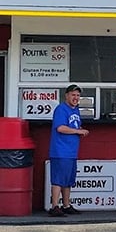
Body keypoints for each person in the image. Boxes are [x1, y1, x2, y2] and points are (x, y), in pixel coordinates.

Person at [48, 84, 89, 217]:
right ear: (66, 95)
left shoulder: (75, 110)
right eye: (73, 95)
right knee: (58, 179)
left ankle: (66, 205)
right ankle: (54, 206)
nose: (76, 98)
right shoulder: (61, 109)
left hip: (71, 151)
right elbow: (60, 128)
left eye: (78, 95)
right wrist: (78, 131)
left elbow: (73, 125)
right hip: (60, 151)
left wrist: (80, 129)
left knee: (68, 180)